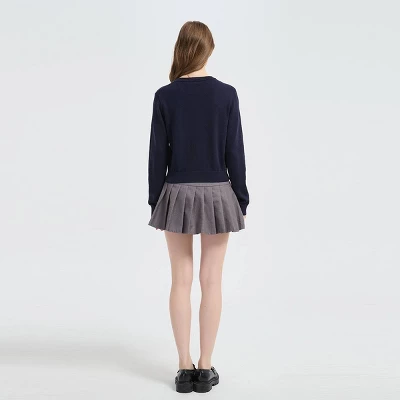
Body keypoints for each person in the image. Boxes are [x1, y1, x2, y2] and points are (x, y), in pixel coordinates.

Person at [147, 20, 250, 393]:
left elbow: (157, 154)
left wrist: (156, 200)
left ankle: (183, 367)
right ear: (209, 49)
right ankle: (205, 368)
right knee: (212, 281)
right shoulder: (227, 95)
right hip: (218, 193)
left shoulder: (165, 95)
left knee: (180, 280)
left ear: (181, 48)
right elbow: (234, 151)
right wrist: (240, 197)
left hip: (176, 192)